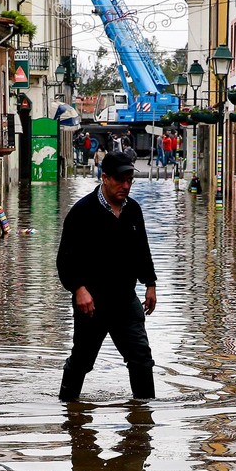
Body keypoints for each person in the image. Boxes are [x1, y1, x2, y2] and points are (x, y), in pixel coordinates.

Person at [56, 149, 157, 400]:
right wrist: (79, 289)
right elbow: (65, 259)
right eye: (120, 180)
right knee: (82, 360)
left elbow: (141, 249)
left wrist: (150, 283)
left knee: (141, 359)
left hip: (125, 299)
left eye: (130, 180)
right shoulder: (82, 213)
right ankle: (68, 409)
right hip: (92, 303)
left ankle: (143, 419)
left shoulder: (133, 210)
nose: (126, 186)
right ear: (105, 177)